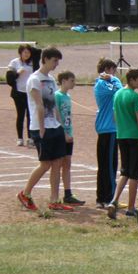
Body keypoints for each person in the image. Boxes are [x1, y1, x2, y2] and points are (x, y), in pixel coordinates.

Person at [17, 48, 70, 212]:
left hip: (55, 126)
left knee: (58, 163)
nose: (56, 64)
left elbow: (54, 106)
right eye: (54, 60)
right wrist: (41, 129)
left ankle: (54, 200)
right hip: (41, 127)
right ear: (45, 59)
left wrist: (62, 127)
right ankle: (25, 193)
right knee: (45, 164)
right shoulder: (34, 79)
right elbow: (39, 105)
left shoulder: (51, 80)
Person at [106, 68, 138, 219]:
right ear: (132, 80)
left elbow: (115, 116)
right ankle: (131, 207)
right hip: (134, 137)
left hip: (121, 135)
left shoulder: (118, 94)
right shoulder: (134, 96)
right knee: (134, 174)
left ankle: (114, 200)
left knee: (125, 171)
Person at [93, 58, 122, 207]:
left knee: (105, 165)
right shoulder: (103, 84)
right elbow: (120, 91)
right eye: (113, 70)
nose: (114, 73)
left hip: (107, 128)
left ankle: (102, 198)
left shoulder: (102, 84)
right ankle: (110, 198)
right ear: (107, 70)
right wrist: (112, 79)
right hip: (109, 128)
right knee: (110, 166)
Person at [53, 71, 84, 206]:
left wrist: (69, 132)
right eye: (72, 81)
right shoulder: (57, 95)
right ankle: (55, 195)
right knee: (58, 164)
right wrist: (63, 133)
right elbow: (57, 115)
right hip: (61, 134)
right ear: (63, 81)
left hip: (68, 132)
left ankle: (68, 193)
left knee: (67, 163)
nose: (74, 83)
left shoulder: (67, 96)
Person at [7, 44, 36, 147]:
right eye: (25, 52)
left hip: (30, 93)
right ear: (20, 53)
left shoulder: (33, 63)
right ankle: (20, 138)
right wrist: (17, 73)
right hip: (18, 93)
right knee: (20, 115)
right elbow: (9, 80)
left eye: (29, 52)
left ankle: (30, 138)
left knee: (30, 116)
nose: (27, 54)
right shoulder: (14, 63)